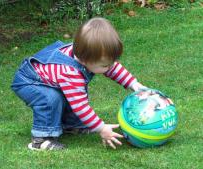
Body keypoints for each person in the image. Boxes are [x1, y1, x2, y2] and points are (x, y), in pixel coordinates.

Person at [11, 17, 146, 151]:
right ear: (84, 60)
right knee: (50, 99)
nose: (109, 67)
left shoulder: (89, 54)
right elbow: (81, 106)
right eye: (105, 65)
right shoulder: (71, 73)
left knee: (68, 95)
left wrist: (133, 84)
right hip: (29, 81)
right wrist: (101, 128)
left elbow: (113, 68)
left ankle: (72, 125)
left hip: (47, 78)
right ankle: (41, 139)